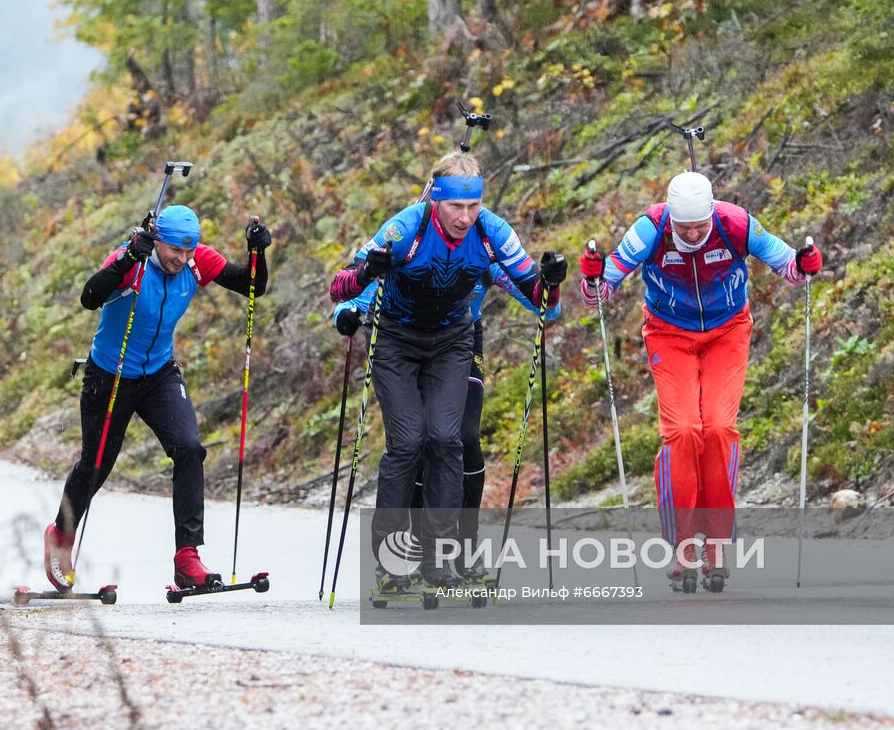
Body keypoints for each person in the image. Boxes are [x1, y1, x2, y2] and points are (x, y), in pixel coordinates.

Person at [329, 151, 566, 591]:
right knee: (407, 443)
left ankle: (440, 560)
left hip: (452, 341)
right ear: (436, 200)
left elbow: (540, 297)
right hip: (396, 342)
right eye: (457, 207)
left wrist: (551, 280)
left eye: (473, 206)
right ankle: (391, 561)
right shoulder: (404, 229)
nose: (465, 216)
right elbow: (339, 286)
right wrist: (367, 273)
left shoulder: (492, 231)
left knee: (446, 439)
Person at [579, 171, 821, 589]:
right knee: (684, 431)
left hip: (727, 331)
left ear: (712, 213)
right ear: (671, 217)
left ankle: (718, 543)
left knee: (720, 429)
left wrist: (804, 264)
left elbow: (791, 269)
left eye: (699, 225)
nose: (692, 233)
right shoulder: (651, 229)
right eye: (683, 226)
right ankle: (682, 545)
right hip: (669, 334)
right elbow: (597, 295)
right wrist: (592, 276)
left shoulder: (736, 224)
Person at [44, 205, 271, 591]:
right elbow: (89, 297)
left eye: (188, 252)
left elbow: (252, 286)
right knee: (96, 465)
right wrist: (131, 255)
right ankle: (61, 536)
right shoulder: (131, 258)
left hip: (159, 375)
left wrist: (257, 252)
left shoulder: (197, 260)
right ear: (158, 241)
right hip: (109, 375)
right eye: (173, 252)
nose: (181, 260)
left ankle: (187, 558)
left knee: (189, 448)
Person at [334, 268, 553, 584]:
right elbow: (364, 288)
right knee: (415, 442)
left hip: (459, 339)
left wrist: (549, 283)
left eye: (471, 214)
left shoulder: (484, 247)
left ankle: (464, 545)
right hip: (406, 338)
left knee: (461, 437)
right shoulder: (420, 243)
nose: (464, 218)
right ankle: (411, 551)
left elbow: (545, 303)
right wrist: (346, 312)